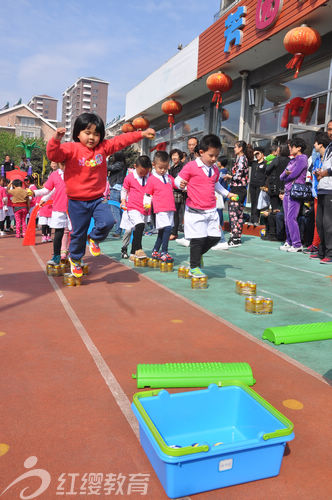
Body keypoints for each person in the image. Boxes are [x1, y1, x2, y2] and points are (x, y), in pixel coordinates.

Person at [46, 112, 155, 277]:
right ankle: (75, 259)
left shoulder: (103, 148)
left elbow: (120, 140)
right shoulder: (71, 148)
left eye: (96, 134)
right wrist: (55, 140)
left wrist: (140, 134)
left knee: (108, 221)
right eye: (87, 133)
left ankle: (94, 239)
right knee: (78, 233)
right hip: (76, 201)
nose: (92, 138)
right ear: (78, 133)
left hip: (97, 199)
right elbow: (53, 155)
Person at [174, 134, 237, 278]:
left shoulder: (215, 170)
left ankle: (197, 255)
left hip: (211, 210)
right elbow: (177, 180)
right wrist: (180, 184)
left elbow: (216, 185)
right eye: (211, 155)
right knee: (198, 239)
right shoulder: (191, 166)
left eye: (216, 155)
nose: (214, 159)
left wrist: (228, 194)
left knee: (215, 238)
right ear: (201, 152)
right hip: (195, 210)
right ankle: (194, 267)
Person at [32, 163, 70, 263]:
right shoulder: (54, 175)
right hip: (58, 207)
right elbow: (49, 190)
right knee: (58, 232)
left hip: (73, 208)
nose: (64, 165)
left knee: (75, 233)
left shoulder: (75, 172)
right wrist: (34, 193)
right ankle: (56, 256)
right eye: (62, 163)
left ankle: (76, 257)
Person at [144, 151, 176, 262]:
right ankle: (164, 252)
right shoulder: (152, 179)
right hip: (160, 208)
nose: (162, 170)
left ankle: (155, 250)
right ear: (154, 165)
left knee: (163, 231)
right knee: (167, 228)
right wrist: (147, 205)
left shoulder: (168, 177)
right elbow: (147, 194)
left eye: (165, 168)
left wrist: (185, 184)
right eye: (160, 168)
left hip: (170, 207)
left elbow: (177, 183)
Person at [120, 155, 152, 261]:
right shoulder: (129, 177)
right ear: (135, 166)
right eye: (141, 172)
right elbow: (124, 190)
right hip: (132, 207)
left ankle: (133, 253)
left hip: (145, 208)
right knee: (135, 227)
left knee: (139, 229)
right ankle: (137, 249)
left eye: (145, 172)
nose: (143, 174)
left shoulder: (151, 177)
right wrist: (123, 200)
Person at [279, 137, 308, 252]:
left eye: (292, 146)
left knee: (291, 218)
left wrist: (287, 175)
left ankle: (297, 244)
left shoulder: (302, 159)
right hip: (287, 191)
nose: (290, 149)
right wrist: (286, 174)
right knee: (287, 218)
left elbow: (293, 175)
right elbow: (282, 176)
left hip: (295, 192)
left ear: (299, 147)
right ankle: (289, 241)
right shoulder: (292, 160)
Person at [303, 132, 329, 255]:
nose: (313, 145)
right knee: (318, 221)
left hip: (326, 191)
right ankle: (317, 245)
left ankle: (319, 246)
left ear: (321, 144)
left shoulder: (328, 157)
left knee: (325, 222)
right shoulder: (318, 158)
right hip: (317, 191)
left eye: (315, 143)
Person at [313, 120, 332, 263]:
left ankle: (330, 253)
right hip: (322, 189)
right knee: (319, 223)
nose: (330, 132)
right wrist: (320, 173)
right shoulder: (329, 147)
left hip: (330, 190)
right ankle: (322, 251)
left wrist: (324, 173)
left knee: (328, 224)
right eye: (329, 129)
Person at [224, 140, 249, 247]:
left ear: (240, 148)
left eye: (235, 147)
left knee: (234, 213)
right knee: (238, 213)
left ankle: (235, 237)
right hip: (239, 188)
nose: (234, 149)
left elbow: (238, 176)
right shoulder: (241, 159)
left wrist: (229, 176)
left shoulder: (242, 159)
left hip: (238, 189)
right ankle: (237, 237)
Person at [108, 151, 127, 238]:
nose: (112, 157)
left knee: (116, 211)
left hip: (116, 189)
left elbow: (109, 168)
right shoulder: (122, 163)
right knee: (120, 211)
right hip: (119, 189)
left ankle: (118, 231)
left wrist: (107, 160)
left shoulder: (119, 164)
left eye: (114, 155)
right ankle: (121, 230)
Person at [265, 144, 290, 211]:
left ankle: (274, 220)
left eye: (278, 150)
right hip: (286, 187)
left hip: (275, 186)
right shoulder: (290, 160)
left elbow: (267, 169)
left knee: (275, 209)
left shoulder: (276, 160)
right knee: (284, 210)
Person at [169, 148, 184, 240]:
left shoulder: (182, 167)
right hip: (172, 191)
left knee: (176, 212)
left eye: (176, 155)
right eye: (172, 155)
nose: (174, 157)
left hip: (179, 192)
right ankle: (173, 231)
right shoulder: (172, 167)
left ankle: (174, 232)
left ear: (180, 156)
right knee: (173, 212)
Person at [249, 147, 267, 225]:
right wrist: (253, 153)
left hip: (260, 185)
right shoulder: (254, 163)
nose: (257, 155)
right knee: (253, 201)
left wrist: (265, 185)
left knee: (257, 202)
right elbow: (247, 160)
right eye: (255, 154)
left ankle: (256, 219)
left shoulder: (265, 163)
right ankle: (251, 219)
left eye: (258, 153)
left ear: (262, 154)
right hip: (252, 184)